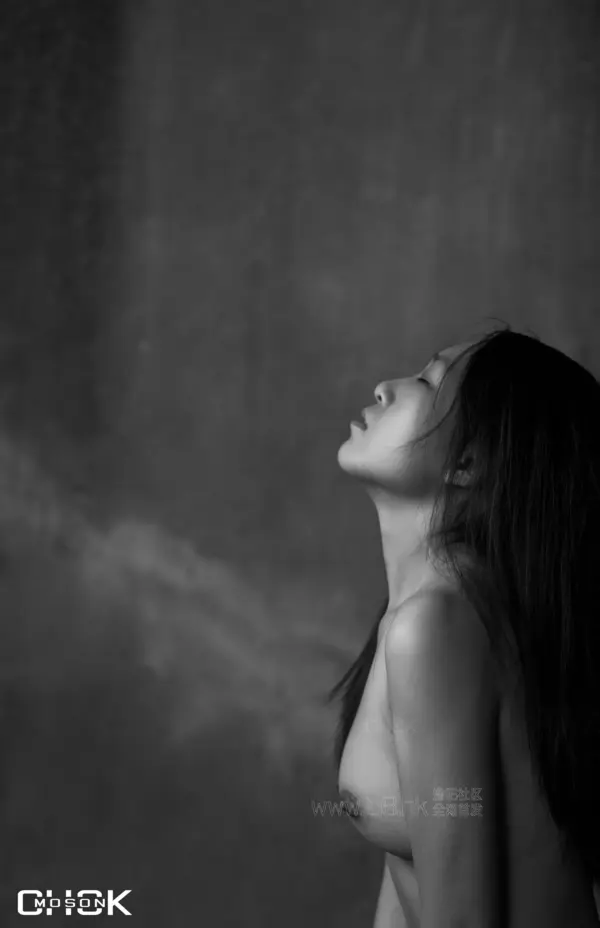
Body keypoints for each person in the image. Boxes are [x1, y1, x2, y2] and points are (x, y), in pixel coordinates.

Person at [328, 321, 600, 927]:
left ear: (469, 463)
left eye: (428, 383)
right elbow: (407, 868)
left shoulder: (438, 625)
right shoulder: (424, 609)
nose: (385, 387)